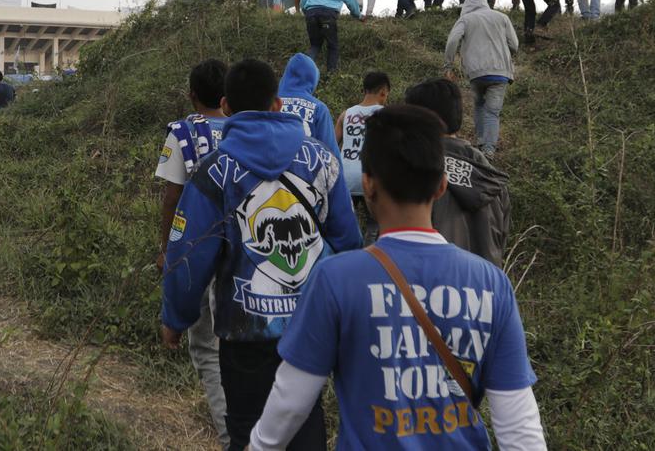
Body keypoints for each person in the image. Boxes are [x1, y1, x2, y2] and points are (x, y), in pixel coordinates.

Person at [246, 105, 545, 451]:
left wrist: (258, 446)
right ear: (441, 185)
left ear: (369, 184)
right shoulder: (492, 285)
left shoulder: (336, 279)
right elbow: (520, 429)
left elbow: (290, 399)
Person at [160, 58, 361, 451]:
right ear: (278, 104)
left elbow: (188, 258)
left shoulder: (213, 172)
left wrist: (175, 318)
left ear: (228, 108)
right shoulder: (321, 161)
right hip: (311, 331)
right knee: (306, 425)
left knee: (248, 433)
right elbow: (348, 241)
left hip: (244, 333)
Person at [153, 58, 230, 448]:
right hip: (241, 251)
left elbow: (172, 196)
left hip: (198, 247)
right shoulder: (241, 131)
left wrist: (166, 247)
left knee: (207, 347)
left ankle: (231, 434)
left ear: (191, 94)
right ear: (225, 97)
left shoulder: (182, 133)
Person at [403, 78, 512, 266]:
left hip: (432, 290)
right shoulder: (491, 177)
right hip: (486, 289)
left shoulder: (414, 173)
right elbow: (501, 241)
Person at [443, 0, 519, 159]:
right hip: (500, 73)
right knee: (492, 111)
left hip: (476, 73)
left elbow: (452, 40)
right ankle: (489, 150)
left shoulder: (466, 19)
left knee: (478, 105)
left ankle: (480, 142)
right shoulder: (502, 17)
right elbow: (514, 45)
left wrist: (448, 65)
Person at [334, 71, 389, 243]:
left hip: (345, 178)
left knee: (343, 225)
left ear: (363, 90)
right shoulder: (386, 115)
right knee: (374, 227)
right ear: (383, 92)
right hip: (371, 178)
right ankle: (367, 260)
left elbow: (332, 145)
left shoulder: (346, 114)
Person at [299, 0, 363, 73]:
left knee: (315, 45)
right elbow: (350, 0)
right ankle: (331, 74)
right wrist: (358, 15)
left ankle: (303, 70)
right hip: (328, 15)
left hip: (311, 12)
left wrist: (304, 9)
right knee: (332, 45)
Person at [278, 52, 339, 161]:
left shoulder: (268, 102)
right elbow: (331, 154)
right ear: (313, 78)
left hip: (268, 173)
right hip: (306, 173)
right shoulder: (318, 108)